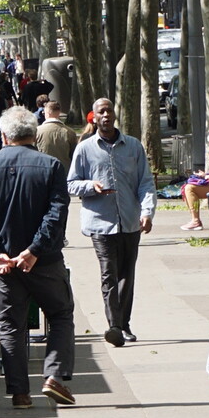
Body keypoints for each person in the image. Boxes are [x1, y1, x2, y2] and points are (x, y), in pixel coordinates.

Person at [0, 107, 75, 407]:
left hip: (5, 265)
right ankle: (54, 375)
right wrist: (34, 250)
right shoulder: (51, 166)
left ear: (3, 136)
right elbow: (56, 214)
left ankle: (20, 392)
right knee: (61, 314)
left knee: (11, 326)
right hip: (46, 261)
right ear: (34, 134)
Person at [67, 97, 156, 346]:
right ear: (93, 118)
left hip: (129, 221)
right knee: (109, 274)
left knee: (127, 275)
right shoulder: (84, 149)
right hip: (101, 223)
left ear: (114, 115)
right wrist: (90, 186)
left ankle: (124, 323)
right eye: (101, 112)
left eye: (109, 111)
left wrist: (147, 212)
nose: (106, 115)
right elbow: (71, 183)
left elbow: (146, 183)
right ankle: (114, 325)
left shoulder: (133, 147)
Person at [180, 128, 209, 231]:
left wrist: (208, 177)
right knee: (188, 187)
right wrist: (205, 175)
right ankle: (195, 220)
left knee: (190, 189)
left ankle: (195, 221)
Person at [37, 100, 77, 167]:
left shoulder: (37, 131)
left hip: (44, 170)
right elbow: (74, 155)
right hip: (65, 171)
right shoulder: (70, 132)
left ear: (48, 113)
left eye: (44, 113)